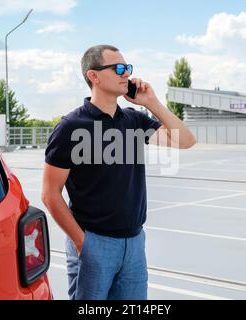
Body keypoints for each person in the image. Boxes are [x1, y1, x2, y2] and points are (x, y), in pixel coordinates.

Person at [41, 44, 196, 300]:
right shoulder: (71, 127)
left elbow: (186, 141)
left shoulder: (134, 120)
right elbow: (50, 194)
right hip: (93, 242)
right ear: (94, 76)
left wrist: (152, 102)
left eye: (128, 68)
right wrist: (82, 243)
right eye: (119, 68)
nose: (127, 74)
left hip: (134, 244)